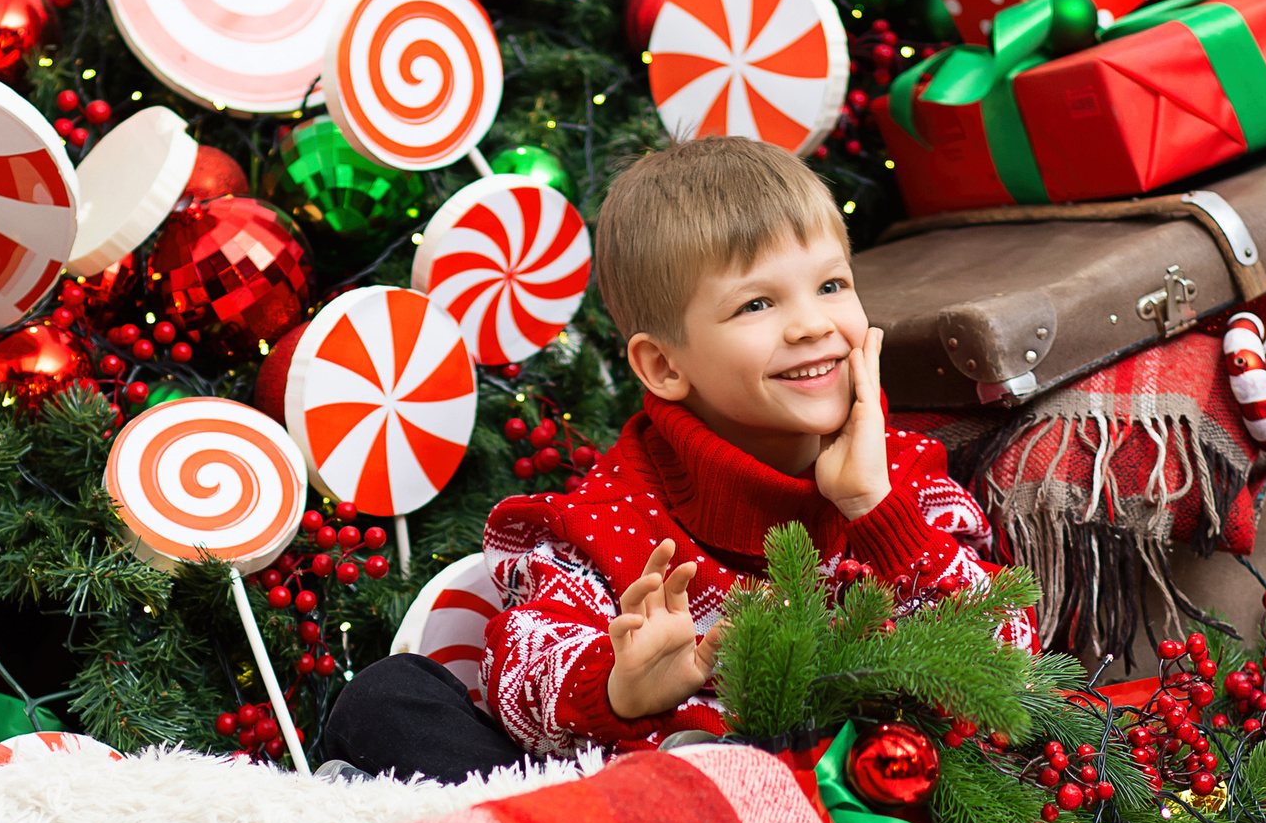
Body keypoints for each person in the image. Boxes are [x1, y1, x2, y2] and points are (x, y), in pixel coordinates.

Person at [320, 135, 1027, 781]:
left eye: (832, 285)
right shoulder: (611, 515)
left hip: (856, 800)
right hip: (657, 817)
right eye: (757, 305)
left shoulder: (899, 474)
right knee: (386, 700)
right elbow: (520, 672)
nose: (814, 323)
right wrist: (618, 686)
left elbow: (1011, 655)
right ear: (662, 365)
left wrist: (875, 511)